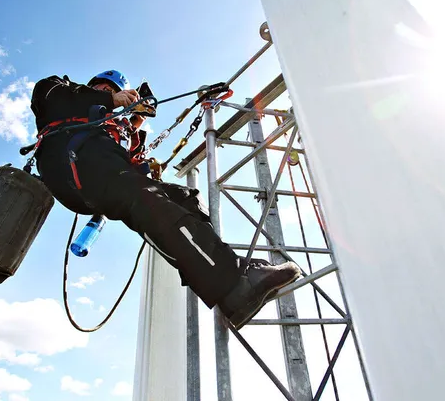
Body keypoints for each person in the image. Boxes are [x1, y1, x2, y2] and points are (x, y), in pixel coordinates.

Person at [30, 69, 301, 329]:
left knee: (184, 199)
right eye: (104, 88)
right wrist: (109, 100)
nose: (109, 93)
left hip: (103, 172)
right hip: (72, 162)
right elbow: (51, 94)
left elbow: (133, 164)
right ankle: (233, 283)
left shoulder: (120, 132)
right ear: (93, 86)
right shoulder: (58, 91)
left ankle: (232, 283)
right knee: (146, 201)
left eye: (115, 91)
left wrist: (134, 128)